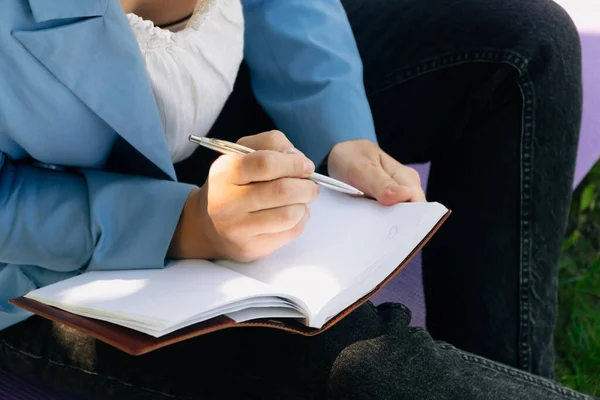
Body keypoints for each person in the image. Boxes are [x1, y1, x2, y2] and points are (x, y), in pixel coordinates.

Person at [0, 0, 590, 399]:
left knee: (524, 45)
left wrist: (340, 133)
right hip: (44, 257)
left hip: (208, 121)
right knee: (362, 362)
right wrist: (180, 225)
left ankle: (504, 374)